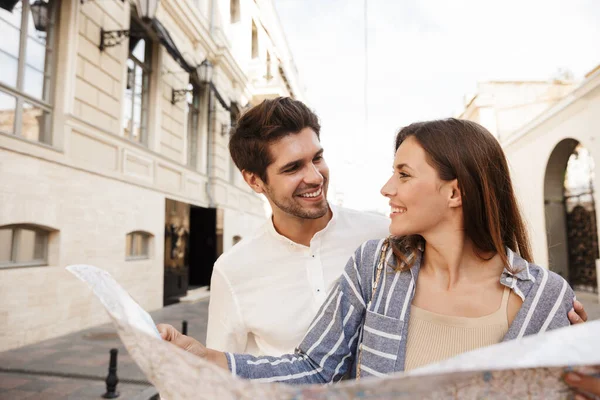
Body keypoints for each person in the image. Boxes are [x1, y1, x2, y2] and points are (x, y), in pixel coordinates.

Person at [159, 118, 588, 381]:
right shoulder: (376, 265)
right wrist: (213, 360)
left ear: (455, 192)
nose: (386, 189)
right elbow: (317, 366)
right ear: (256, 180)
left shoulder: (545, 299)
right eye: (292, 167)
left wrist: (579, 361)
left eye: (403, 174)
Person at [205, 97, 389, 356]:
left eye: (317, 158)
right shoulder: (233, 269)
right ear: (255, 180)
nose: (315, 177)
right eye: (293, 168)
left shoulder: (382, 237)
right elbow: (220, 374)